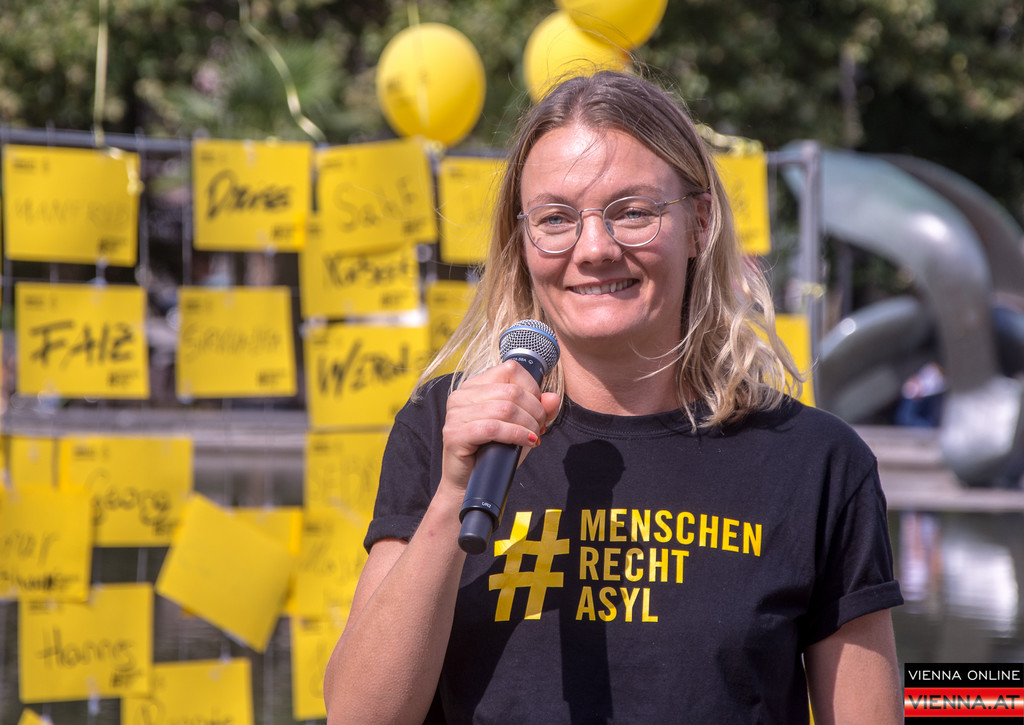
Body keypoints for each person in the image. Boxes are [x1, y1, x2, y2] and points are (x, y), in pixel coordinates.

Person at [324, 70, 904, 724]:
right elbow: (358, 717)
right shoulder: (447, 429)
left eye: (632, 212)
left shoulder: (816, 463)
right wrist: (454, 495)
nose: (595, 248)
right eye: (555, 219)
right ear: (522, 240)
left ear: (699, 223)